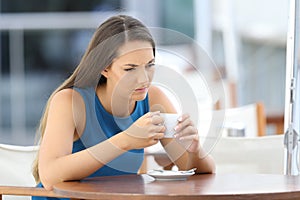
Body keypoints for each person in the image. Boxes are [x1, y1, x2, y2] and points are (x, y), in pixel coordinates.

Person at [32, 15, 215, 200]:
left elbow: (195, 171)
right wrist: (126, 140)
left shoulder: (154, 98)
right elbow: (49, 176)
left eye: (149, 65)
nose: (144, 78)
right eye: (130, 69)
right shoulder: (70, 101)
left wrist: (194, 149)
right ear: (104, 68)